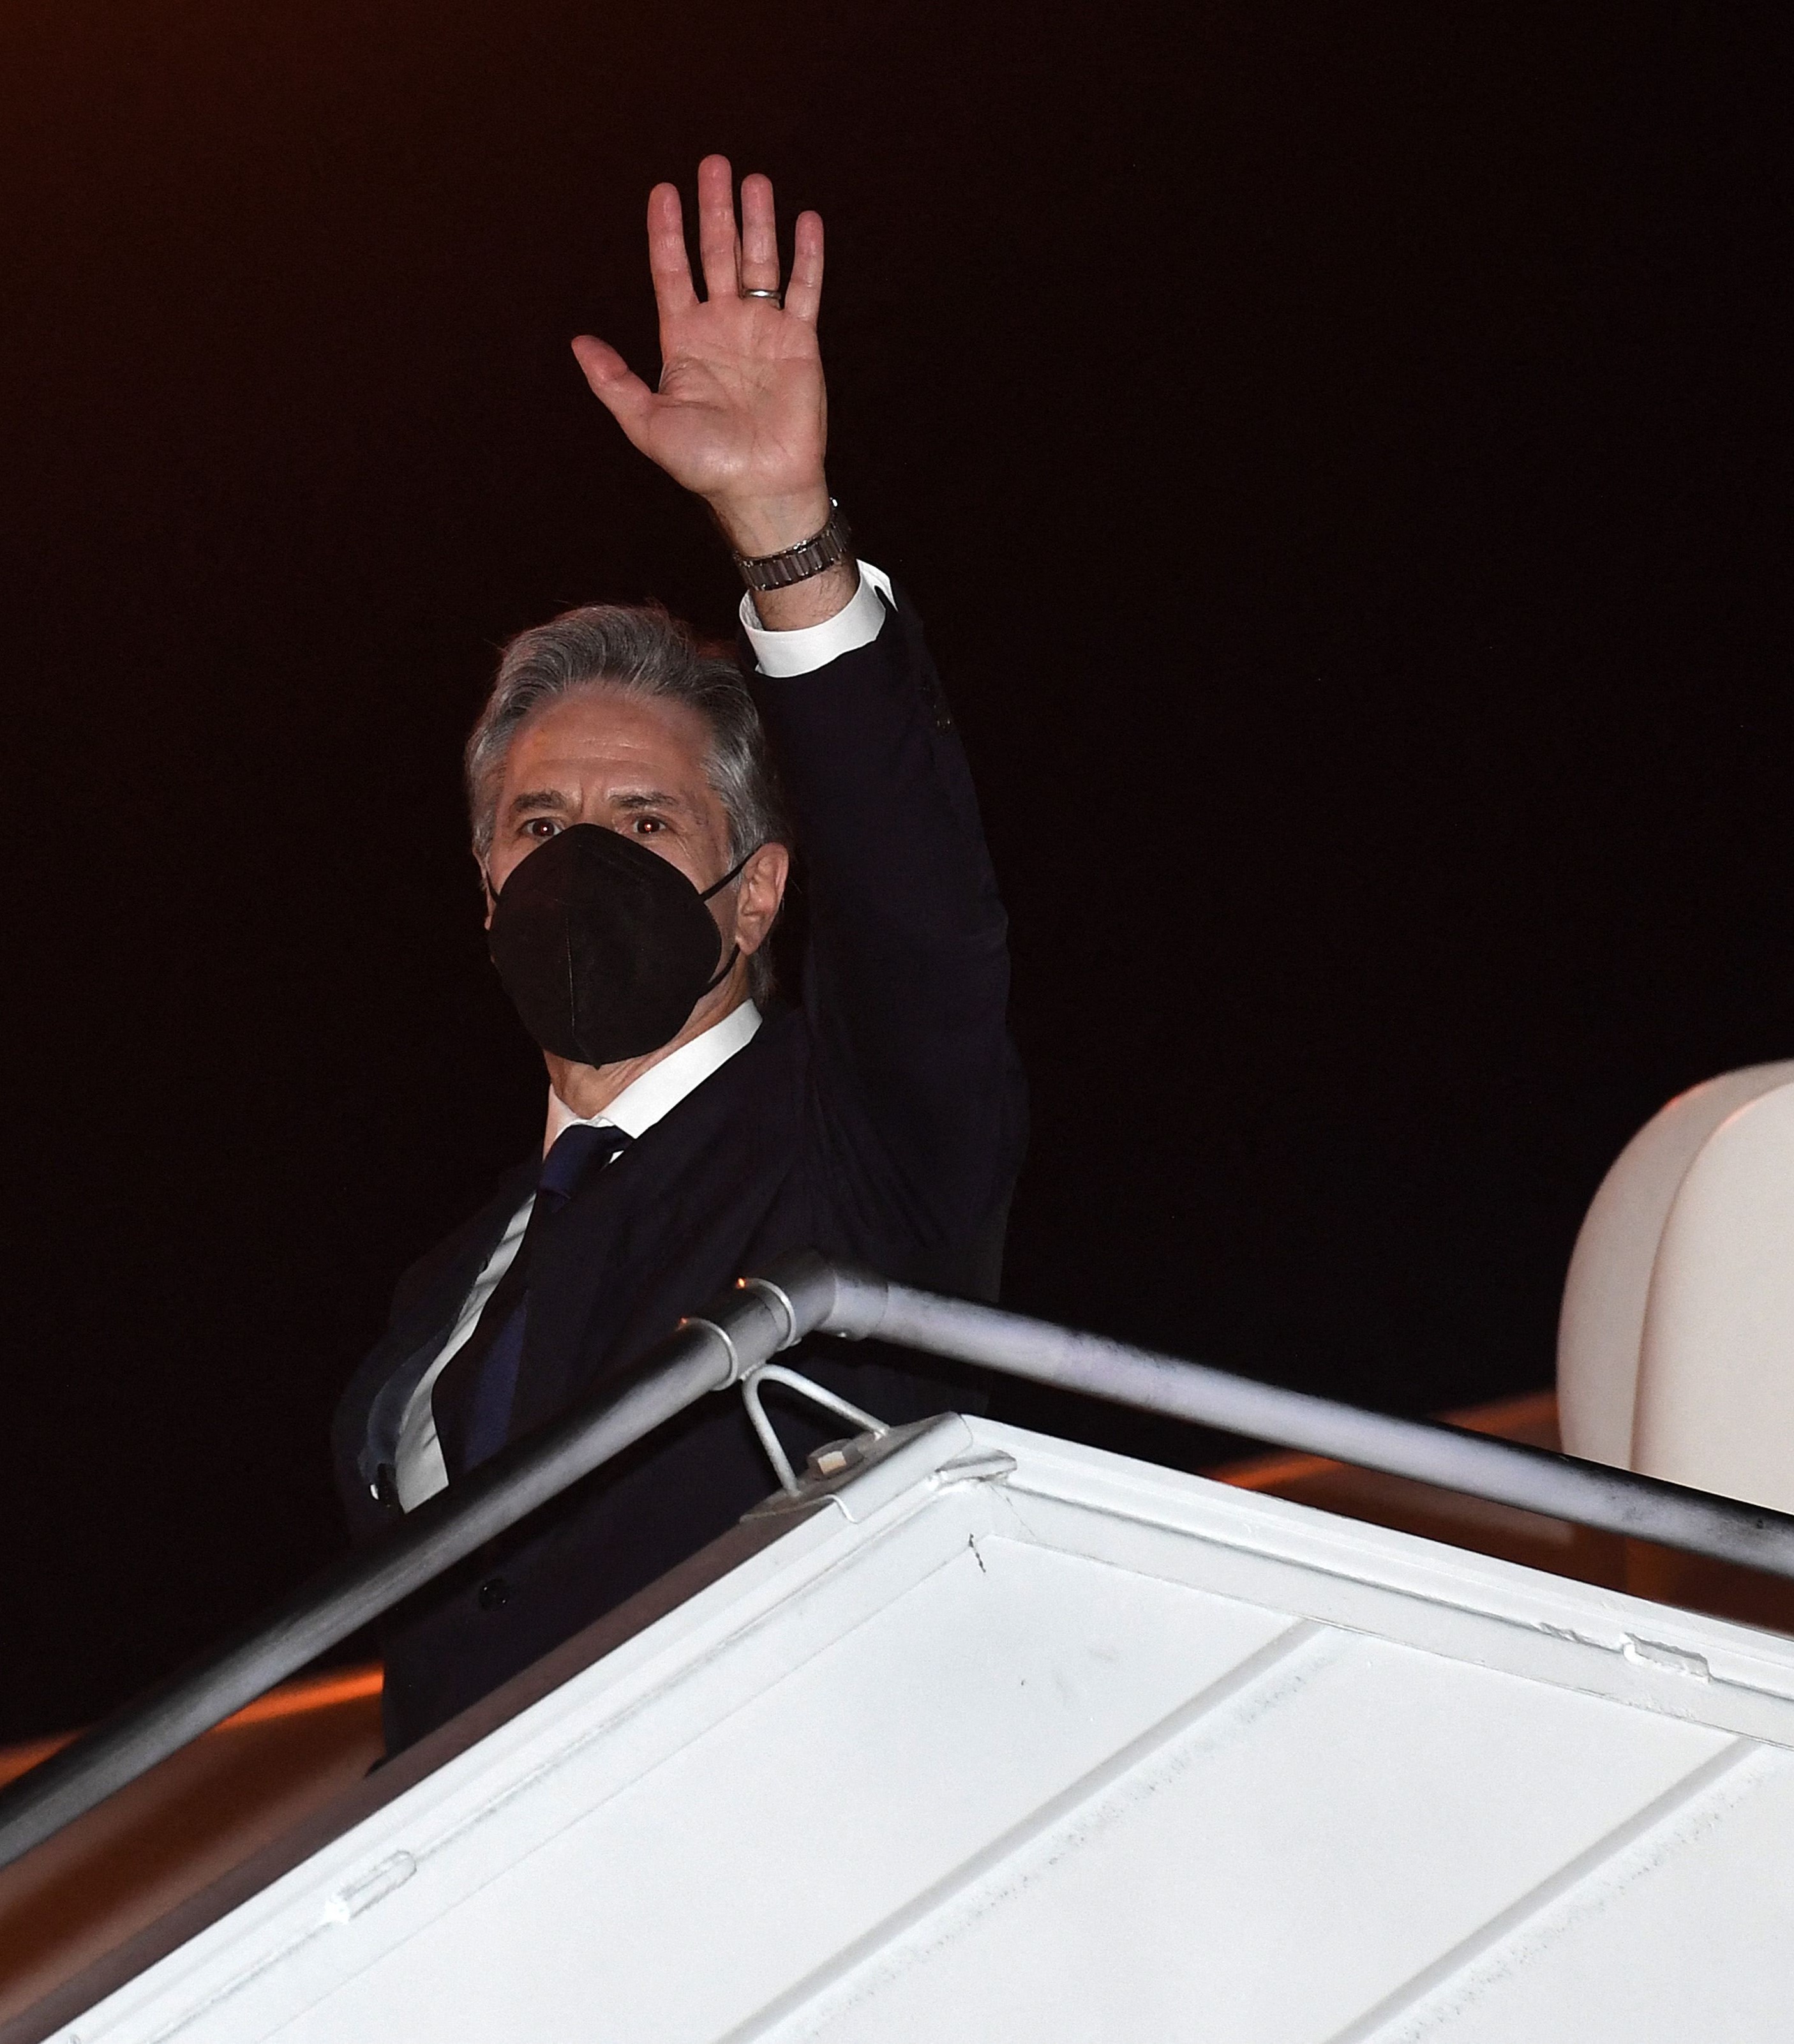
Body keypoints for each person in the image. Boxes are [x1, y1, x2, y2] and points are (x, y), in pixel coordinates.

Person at [329, 156, 1027, 1754]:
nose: (576, 857)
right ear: (482, 879)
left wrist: (783, 533)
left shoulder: (857, 1145)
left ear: (759, 889)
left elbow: (926, 911)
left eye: (641, 822)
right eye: (536, 821)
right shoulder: (451, 1281)